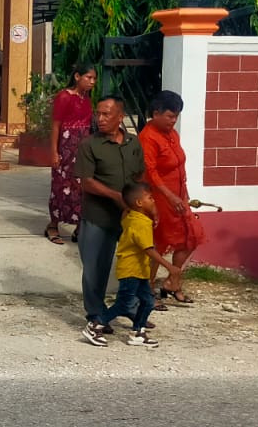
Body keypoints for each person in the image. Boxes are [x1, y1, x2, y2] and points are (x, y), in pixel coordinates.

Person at [74, 95, 146, 326]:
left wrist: (144, 205)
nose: (100, 119)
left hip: (129, 218)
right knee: (95, 268)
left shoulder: (133, 143)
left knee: (134, 265)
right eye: (98, 113)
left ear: (120, 117)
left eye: (106, 114)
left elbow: (140, 177)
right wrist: (116, 196)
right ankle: (96, 313)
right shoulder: (90, 145)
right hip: (99, 216)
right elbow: (86, 182)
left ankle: (132, 309)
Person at [83, 182, 174, 347]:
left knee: (147, 301)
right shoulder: (140, 224)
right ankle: (95, 326)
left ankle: (138, 332)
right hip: (131, 270)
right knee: (123, 304)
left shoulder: (130, 216)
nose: (154, 201)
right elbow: (149, 249)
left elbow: (126, 211)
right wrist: (170, 267)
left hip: (139, 271)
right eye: (150, 198)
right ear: (139, 203)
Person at [138, 90, 200, 305]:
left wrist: (184, 194)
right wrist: (170, 196)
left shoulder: (172, 134)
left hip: (178, 196)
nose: (174, 121)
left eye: (176, 116)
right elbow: (151, 172)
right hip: (160, 197)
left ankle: (173, 282)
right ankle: (146, 289)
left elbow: (180, 165)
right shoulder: (148, 137)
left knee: (190, 236)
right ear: (156, 113)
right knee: (158, 243)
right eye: (170, 116)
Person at [46, 65, 96, 244]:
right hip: (65, 148)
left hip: (83, 150)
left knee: (81, 187)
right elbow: (56, 125)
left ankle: (79, 227)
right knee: (61, 186)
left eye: (94, 79)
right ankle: (53, 225)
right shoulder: (64, 97)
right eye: (88, 77)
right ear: (77, 76)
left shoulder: (87, 99)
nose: (92, 82)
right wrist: (54, 152)